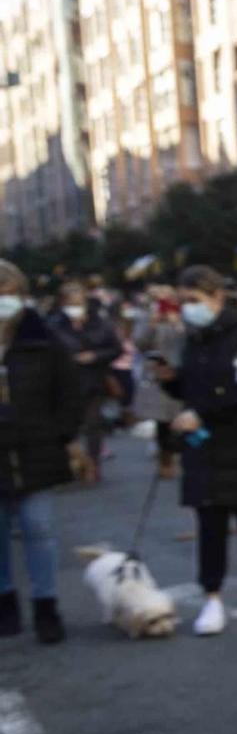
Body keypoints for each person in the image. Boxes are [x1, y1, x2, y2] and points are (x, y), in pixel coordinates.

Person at [161, 267, 237, 637]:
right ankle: (212, 597)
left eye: (193, 301)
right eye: (182, 302)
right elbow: (194, 388)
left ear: (216, 298)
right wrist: (171, 381)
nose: (186, 309)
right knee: (210, 524)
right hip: (206, 445)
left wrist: (199, 414)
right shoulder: (195, 338)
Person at [0, 261, 81, 643]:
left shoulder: (43, 340)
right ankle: (5, 604)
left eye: (8, 293)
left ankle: (45, 605)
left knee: (39, 528)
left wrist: (60, 434)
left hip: (36, 450)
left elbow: (68, 392)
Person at [48, 279, 121, 484]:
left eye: (78, 303)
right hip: (63, 383)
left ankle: (92, 464)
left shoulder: (100, 323)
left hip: (92, 381)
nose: (75, 308)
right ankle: (73, 462)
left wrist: (95, 356)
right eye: (70, 304)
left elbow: (115, 348)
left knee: (93, 425)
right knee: (66, 425)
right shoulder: (53, 325)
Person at [132, 284, 188, 478]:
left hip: (182, 373)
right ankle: (166, 459)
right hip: (158, 374)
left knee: (184, 417)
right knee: (163, 422)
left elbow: (191, 340)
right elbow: (139, 343)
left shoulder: (184, 315)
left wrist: (177, 323)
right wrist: (152, 324)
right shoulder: (147, 318)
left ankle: (185, 454)